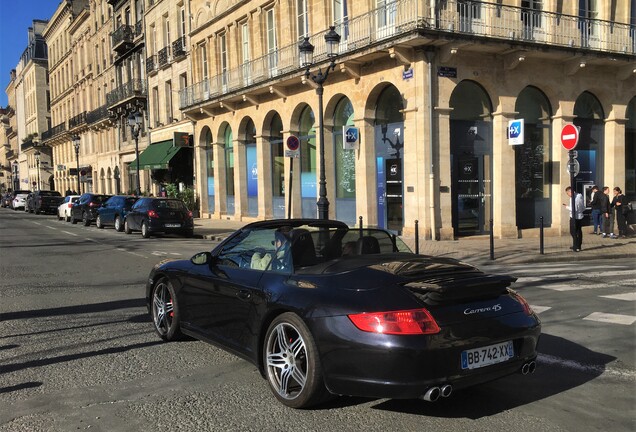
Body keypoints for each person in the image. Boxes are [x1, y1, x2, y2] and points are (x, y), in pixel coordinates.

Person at [563, 186, 584, 252]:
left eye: (567, 193)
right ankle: (578, 245)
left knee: (573, 231)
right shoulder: (580, 195)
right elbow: (583, 206)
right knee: (579, 231)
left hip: (574, 217)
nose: (568, 195)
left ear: (570, 191)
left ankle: (576, 245)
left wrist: (566, 207)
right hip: (580, 216)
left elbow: (573, 209)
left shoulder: (573, 198)